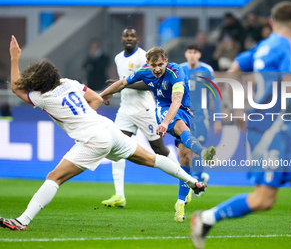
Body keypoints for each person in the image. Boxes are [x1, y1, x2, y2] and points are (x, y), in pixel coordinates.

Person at [0, 36, 207, 231]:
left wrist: (15, 58)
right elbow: (96, 98)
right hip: (107, 128)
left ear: (38, 80)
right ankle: (192, 181)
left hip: (93, 139)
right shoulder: (68, 83)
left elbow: (17, 88)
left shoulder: (42, 97)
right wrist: (87, 116)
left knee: (54, 177)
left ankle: (22, 221)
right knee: (152, 158)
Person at [190, 2, 291, 249]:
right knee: (263, 199)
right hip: (270, 129)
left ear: (271, 22)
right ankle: (206, 218)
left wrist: (237, 108)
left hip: (283, 127)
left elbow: (232, 71)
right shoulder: (288, 44)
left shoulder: (262, 47)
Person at [100, 47, 216, 223]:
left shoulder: (176, 72)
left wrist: (163, 123)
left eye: (160, 65)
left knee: (185, 158)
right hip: (164, 110)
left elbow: (177, 101)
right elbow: (123, 83)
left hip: (184, 110)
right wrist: (101, 95)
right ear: (148, 64)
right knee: (179, 127)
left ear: (166, 62)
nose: (157, 69)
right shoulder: (144, 72)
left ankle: (180, 203)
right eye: (153, 65)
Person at [101, 27, 179, 208]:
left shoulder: (145, 57)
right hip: (125, 110)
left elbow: (150, 84)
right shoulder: (118, 58)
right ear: (122, 38)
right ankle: (119, 195)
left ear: (138, 38)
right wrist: (111, 92)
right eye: (126, 35)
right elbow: (120, 81)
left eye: (133, 36)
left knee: (159, 149)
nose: (129, 38)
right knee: (116, 147)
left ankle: (185, 182)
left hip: (145, 110)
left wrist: (123, 86)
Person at [180, 43, 222, 200]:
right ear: (186, 54)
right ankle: (199, 177)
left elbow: (215, 95)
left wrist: (217, 119)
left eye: (195, 52)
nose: (192, 54)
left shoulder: (206, 70)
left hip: (201, 116)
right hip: (184, 116)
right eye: (189, 51)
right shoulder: (180, 69)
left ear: (199, 55)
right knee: (187, 151)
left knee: (198, 149)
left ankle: (197, 181)